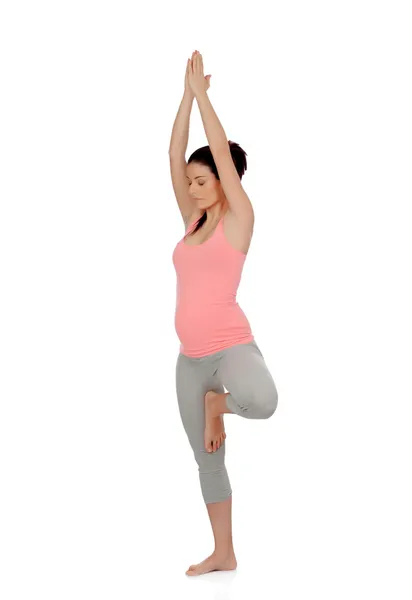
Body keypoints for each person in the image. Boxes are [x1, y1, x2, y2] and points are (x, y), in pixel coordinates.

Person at [169, 50, 278, 577]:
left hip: (231, 348)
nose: (190, 187)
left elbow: (217, 150)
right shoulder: (193, 221)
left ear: (225, 180)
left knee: (262, 400)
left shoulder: (239, 221)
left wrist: (207, 99)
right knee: (206, 460)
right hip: (189, 362)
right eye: (189, 182)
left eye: (201, 180)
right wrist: (186, 98)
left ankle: (221, 406)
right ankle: (224, 552)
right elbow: (172, 157)